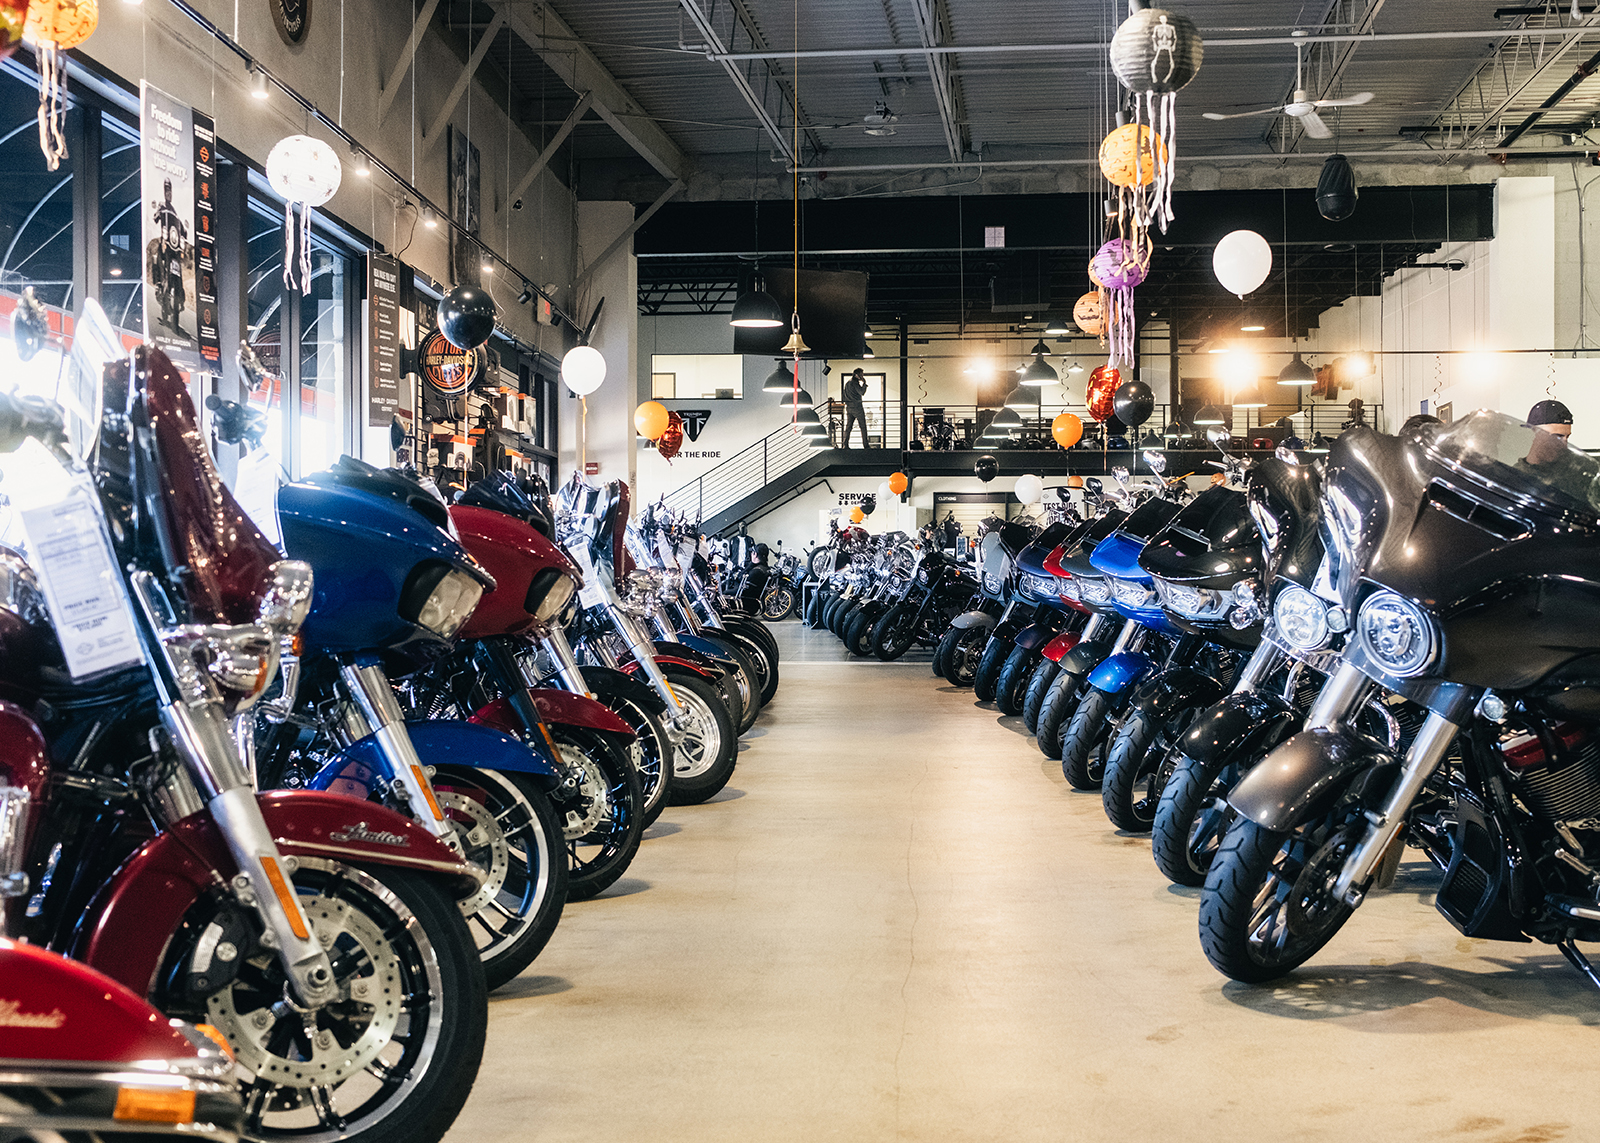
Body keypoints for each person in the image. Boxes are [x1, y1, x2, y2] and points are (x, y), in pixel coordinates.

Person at [843, 368, 869, 448]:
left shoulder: (847, 383)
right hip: (857, 407)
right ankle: (866, 445)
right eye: (861, 374)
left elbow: (844, 395)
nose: (862, 376)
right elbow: (862, 392)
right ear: (856, 375)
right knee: (863, 427)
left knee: (848, 427)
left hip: (849, 407)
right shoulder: (855, 383)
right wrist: (864, 383)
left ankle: (845, 444)